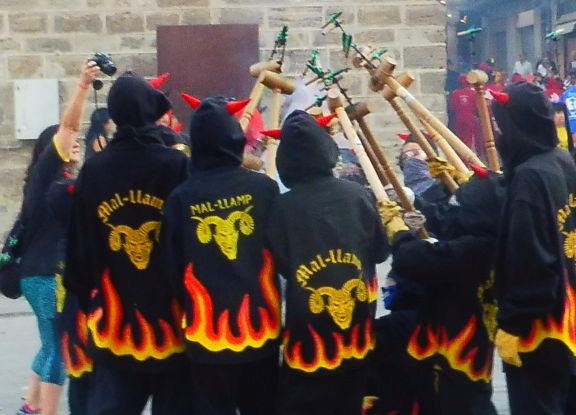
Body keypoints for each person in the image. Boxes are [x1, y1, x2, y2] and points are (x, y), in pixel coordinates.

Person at [64, 71, 192, 415]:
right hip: (171, 323)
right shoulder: (176, 164)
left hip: (116, 320)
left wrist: (84, 293)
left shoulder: (95, 170)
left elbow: (79, 245)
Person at [161, 96, 281, 415]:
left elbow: (172, 267)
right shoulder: (264, 189)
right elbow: (281, 252)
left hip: (207, 334)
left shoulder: (182, 197)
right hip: (260, 327)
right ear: (235, 139)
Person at [266, 110, 389, 415]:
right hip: (356, 326)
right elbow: (380, 251)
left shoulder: (282, 206)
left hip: (308, 329)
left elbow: (280, 263)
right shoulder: (358, 195)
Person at [15, 60, 99, 415]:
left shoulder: (55, 182)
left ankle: (31, 406)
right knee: (59, 348)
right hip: (46, 276)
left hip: (39, 274)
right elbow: (68, 126)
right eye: (70, 142)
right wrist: (83, 85)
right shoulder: (48, 172)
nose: (75, 142)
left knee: (48, 343)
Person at [382, 172, 504, 414]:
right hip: (461, 333)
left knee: (460, 399)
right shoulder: (496, 235)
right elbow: (451, 221)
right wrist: (417, 207)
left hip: (458, 341)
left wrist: (398, 232)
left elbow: (413, 259)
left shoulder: (477, 248)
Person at [491, 82, 576, 414]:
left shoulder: (530, 177)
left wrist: (513, 323)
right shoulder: (563, 160)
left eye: (501, 125)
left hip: (539, 329)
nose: (498, 134)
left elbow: (532, 259)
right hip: (568, 315)